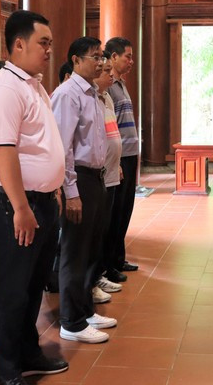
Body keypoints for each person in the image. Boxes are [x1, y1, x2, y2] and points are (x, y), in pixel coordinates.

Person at [0, 10, 68, 384]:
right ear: (19, 44)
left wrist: (54, 190)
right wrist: (20, 207)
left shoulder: (32, 84)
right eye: (43, 43)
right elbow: (3, 151)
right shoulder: (4, 88)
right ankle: (7, 370)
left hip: (40, 202)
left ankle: (28, 351)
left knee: (33, 286)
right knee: (11, 291)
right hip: (13, 205)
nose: (50, 50)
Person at [52, 37, 117, 344]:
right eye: (94, 57)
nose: (101, 61)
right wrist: (72, 191)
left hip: (95, 177)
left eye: (102, 56)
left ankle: (85, 310)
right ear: (76, 61)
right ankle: (71, 320)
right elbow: (62, 146)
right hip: (78, 178)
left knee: (91, 248)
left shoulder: (93, 93)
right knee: (74, 251)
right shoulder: (68, 94)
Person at [103, 37, 139, 283]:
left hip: (129, 153)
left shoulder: (122, 84)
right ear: (113, 57)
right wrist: (114, 162)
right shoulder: (107, 85)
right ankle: (109, 264)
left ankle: (118, 257)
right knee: (114, 212)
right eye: (127, 56)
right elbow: (108, 126)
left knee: (125, 209)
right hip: (119, 157)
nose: (131, 61)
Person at [92, 51, 124, 302]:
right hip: (94, 175)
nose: (110, 74)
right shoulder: (84, 98)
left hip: (111, 173)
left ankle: (100, 272)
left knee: (105, 227)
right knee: (92, 233)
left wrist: (118, 163)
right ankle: (92, 279)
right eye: (105, 71)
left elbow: (112, 134)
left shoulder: (105, 99)